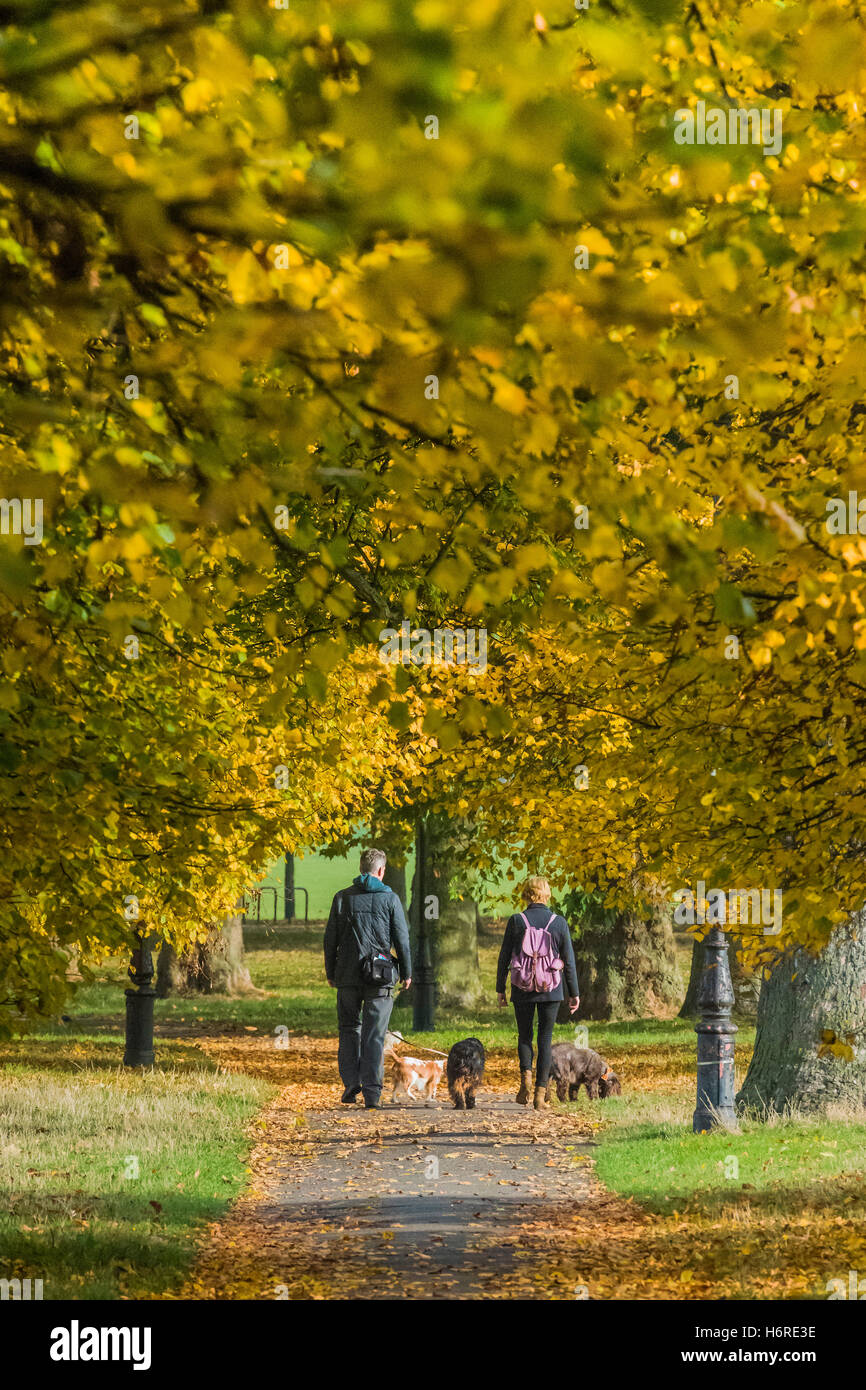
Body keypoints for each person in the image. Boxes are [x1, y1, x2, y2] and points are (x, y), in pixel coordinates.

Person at [324, 848, 412, 1110]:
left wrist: (331, 973)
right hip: (380, 976)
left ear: (361, 868)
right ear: (381, 871)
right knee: (374, 1034)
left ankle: (351, 1084)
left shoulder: (342, 898)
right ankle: (372, 1094)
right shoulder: (390, 899)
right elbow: (402, 939)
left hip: (348, 976)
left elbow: (330, 940)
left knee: (349, 1029)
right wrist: (406, 972)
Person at [496, 875, 579, 1110]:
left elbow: (504, 958)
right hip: (551, 989)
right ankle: (540, 1096)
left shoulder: (516, 921)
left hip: (521, 987)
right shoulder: (558, 922)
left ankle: (526, 1080)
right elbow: (569, 961)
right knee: (545, 1039)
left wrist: (500, 988)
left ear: (526, 894)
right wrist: (574, 992)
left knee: (524, 1036)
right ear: (546, 893)